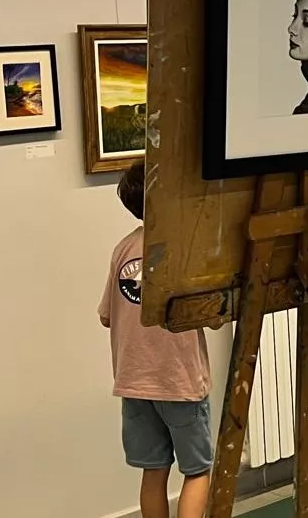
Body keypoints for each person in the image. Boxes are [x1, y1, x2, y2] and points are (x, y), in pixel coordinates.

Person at [99, 161, 213, 518]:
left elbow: (106, 315)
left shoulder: (122, 249)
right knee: (197, 471)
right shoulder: (182, 249)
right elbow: (211, 314)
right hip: (179, 381)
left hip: (134, 382)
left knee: (154, 470)